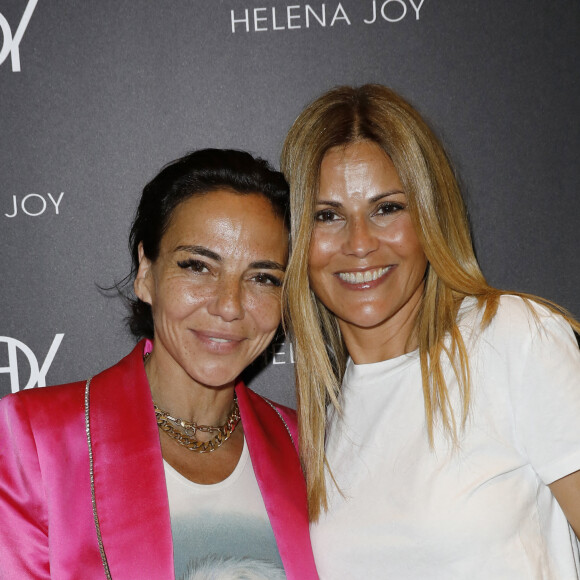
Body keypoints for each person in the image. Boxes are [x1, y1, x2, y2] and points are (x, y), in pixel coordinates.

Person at [281, 84, 580, 578]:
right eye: (327, 216)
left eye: (387, 208)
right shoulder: (321, 429)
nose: (359, 243)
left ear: (429, 216)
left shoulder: (509, 336)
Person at [0, 149, 318, 580]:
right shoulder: (34, 439)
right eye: (199, 267)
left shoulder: (309, 446)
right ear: (146, 273)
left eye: (263, 277)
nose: (229, 306)